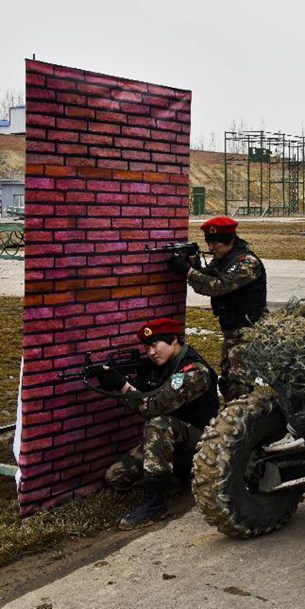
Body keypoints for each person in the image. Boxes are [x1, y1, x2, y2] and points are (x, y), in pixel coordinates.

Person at [98, 318, 219, 530]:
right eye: (147, 347)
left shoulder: (193, 371)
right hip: (174, 443)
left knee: (158, 423)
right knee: (115, 477)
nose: (151, 352)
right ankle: (176, 477)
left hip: (203, 445)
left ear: (174, 340)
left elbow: (154, 408)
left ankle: (155, 506)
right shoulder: (162, 366)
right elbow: (148, 392)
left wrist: (124, 387)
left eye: (155, 345)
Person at [168, 216, 268, 401]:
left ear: (230, 240)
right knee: (228, 381)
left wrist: (189, 272)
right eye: (209, 242)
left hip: (248, 331)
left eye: (216, 243)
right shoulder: (222, 260)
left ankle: (243, 421)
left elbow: (217, 286)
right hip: (231, 330)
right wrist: (195, 267)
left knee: (240, 386)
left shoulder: (247, 262)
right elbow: (209, 277)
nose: (211, 248)